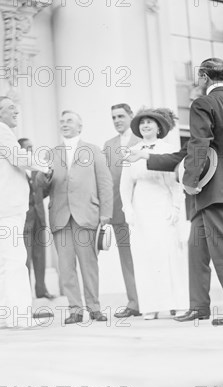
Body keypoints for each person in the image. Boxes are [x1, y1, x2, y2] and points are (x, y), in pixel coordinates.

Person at [128, 58, 223, 325]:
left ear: (204, 77)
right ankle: (206, 306)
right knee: (208, 246)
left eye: (198, 77)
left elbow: (200, 144)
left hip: (213, 189)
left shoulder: (203, 103)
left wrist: (190, 181)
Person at [36, 110, 113, 324]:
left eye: (69, 121)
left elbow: (105, 183)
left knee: (89, 265)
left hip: (86, 214)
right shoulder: (51, 153)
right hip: (61, 216)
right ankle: (75, 310)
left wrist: (106, 213)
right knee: (66, 266)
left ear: (80, 126)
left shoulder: (93, 150)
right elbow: (41, 190)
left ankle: (94, 307)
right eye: (61, 121)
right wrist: (45, 177)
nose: (64, 124)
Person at [0, 97, 49, 328]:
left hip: (4, 207)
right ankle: (21, 316)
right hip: (6, 207)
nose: (16, 111)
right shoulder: (0, 132)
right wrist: (44, 164)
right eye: (11, 108)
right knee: (15, 260)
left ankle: (0, 318)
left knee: (4, 263)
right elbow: (19, 157)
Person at [120, 108, 188, 320]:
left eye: (150, 122)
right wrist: (128, 208)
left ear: (159, 127)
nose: (145, 125)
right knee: (144, 256)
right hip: (141, 207)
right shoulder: (132, 151)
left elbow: (177, 182)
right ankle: (150, 306)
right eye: (142, 123)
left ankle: (178, 304)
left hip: (163, 205)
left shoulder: (168, 149)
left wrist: (176, 207)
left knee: (169, 254)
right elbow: (125, 184)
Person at [102, 103, 141, 318]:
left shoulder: (143, 141)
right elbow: (105, 180)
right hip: (119, 211)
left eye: (120, 116)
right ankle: (134, 303)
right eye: (113, 117)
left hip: (143, 210)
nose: (117, 120)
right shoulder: (108, 146)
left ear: (130, 116)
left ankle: (155, 299)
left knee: (147, 254)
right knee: (126, 258)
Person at [18, 137, 55, 300]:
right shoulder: (16, 170)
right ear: (20, 151)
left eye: (32, 148)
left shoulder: (37, 170)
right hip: (24, 219)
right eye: (27, 148)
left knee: (40, 256)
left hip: (40, 218)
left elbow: (44, 191)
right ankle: (25, 292)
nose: (31, 151)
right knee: (25, 257)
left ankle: (41, 290)